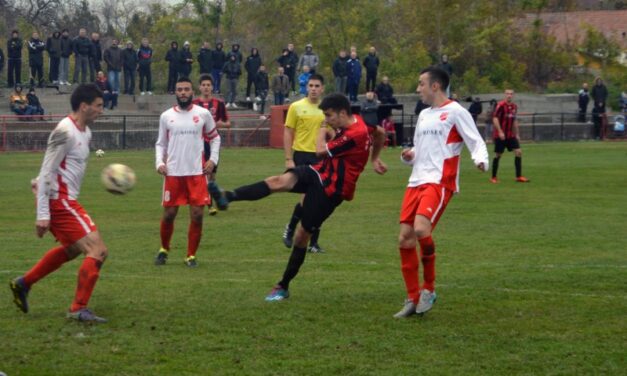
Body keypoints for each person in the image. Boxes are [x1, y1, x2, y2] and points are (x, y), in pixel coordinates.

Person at [221, 93, 387, 301]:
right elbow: (380, 132)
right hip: (319, 172)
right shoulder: (361, 123)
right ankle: (228, 197)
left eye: (328, 115)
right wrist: (375, 158)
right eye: (324, 116)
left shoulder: (355, 134)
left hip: (332, 191)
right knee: (279, 181)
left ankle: (283, 285)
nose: (326, 119)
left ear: (342, 113)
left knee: (302, 236)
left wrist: (320, 129)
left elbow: (319, 151)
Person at [394, 66, 488, 318]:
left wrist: (480, 160)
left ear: (435, 86)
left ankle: (430, 288)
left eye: (421, 84)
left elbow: (475, 140)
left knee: (421, 229)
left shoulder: (456, 111)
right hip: (416, 181)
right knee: (404, 238)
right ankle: (412, 298)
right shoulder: (424, 114)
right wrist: (409, 155)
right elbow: (419, 148)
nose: (418, 89)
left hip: (439, 181)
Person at [10, 83, 109, 323]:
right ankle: (78, 308)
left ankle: (24, 283)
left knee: (74, 249)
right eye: (98, 106)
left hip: (65, 199)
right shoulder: (64, 131)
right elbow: (46, 172)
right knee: (98, 250)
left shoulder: (85, 131)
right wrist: (42, 214)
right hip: (58, 200)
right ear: (84, 106)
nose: (101, 111)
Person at [154, 77, 221, 267]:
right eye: (179, 89)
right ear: (175, 93)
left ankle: (191, 255)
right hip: (173, 173)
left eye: (186, 89)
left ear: (192, 92)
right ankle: (164, 249)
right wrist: (159, 162)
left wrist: (213, 160)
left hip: (196, 172)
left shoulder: (203, 114)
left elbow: (215, 138)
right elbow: (161, 143)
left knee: (198, 214)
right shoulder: (166, 116)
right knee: (169, 215)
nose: (183, 92)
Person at [280, 73, 328, 253]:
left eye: (317, 86)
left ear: (322, 88)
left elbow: (332, 133)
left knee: (320, 200)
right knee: (310, 198)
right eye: (311, 86)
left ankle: (308, 239)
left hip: (321, 156)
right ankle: (296, 232)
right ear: (306, 87)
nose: (314, 89)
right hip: (301, 155)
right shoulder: (296, 107)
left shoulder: (327, 109)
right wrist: (288, 158)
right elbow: (287, 132)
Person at [192, 74, 231, 216]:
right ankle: (208, 204)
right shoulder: (194, 104)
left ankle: (209, 199)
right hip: (199, 143)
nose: (206, 87)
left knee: (212, 176)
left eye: (209, 85)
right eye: (204, 85)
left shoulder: (219, 104)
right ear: (199, 87)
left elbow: (228, 123)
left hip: (213, 143)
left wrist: (220, 124)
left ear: (212, 87)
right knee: (203, 174)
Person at [491, 89, 529, 183]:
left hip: (510, 135)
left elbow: (514, 121)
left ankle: (518, 176)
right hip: (501, 135)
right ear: (505, 95)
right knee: (498, 155)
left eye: (511, 94)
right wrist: (500, 131)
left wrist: (517, 134)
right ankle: (493, 177)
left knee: (518, 152)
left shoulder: (514, 107)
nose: (509, 95)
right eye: (507, 94)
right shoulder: (500, 105)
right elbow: (495, 118)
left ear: (513, 95)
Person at [103, 39, 122, 105]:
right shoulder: (108, 49)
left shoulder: (120, 50)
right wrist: (110, 64)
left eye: (116, 42)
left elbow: (122, 58)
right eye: (113, 41)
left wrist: (120, 64)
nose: (114, 43)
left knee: (118, 81)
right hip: (111, 68)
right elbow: (105, 57)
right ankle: (112, 91)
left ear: (117, 43)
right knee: (111, 80)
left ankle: (117, 92)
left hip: (118, 68)